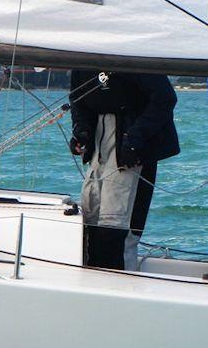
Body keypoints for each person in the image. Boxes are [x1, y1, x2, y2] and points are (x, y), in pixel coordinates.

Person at [69, 70, 179, 270]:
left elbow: (165, 99)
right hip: (98, 148)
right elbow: (78, 100)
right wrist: (81, 131)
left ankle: (119, 285)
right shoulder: (82, 62)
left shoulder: (138, 57)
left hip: (132, 150)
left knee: (116, 228)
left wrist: (135, 140)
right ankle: (93, 282)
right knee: (90, 220)